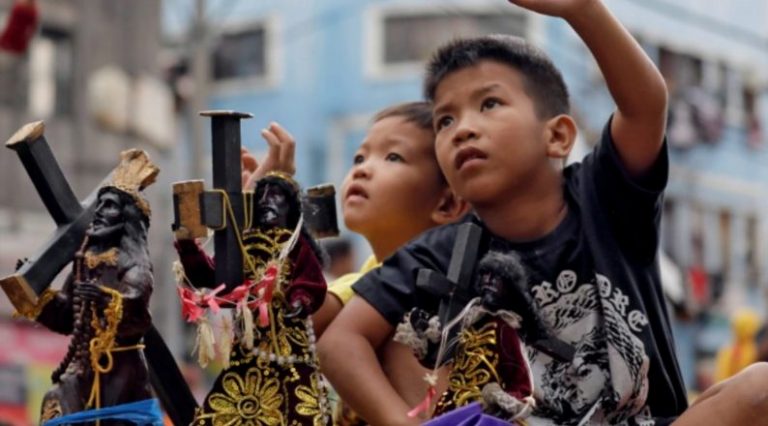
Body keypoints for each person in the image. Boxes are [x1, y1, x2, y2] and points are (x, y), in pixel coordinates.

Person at [318, 0, 732, 424]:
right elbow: (339, 343)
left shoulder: (604, 196)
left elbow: (645, 106)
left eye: (489, 104)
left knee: (756, 388)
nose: (463, 129)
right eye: (445, 121)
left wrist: (584, 11)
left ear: (557, 136)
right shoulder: (438, 253)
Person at [32, 149, 162, 425]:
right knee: (54, 405)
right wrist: (38, 297)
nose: (100, 213)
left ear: (126, 217)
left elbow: (138, 312)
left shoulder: (134, 264)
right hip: (83, 370)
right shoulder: (85, 262)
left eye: (110, 206)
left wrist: (105, 299)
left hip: (120, 370)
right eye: (100, 206)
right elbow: (68, 318)